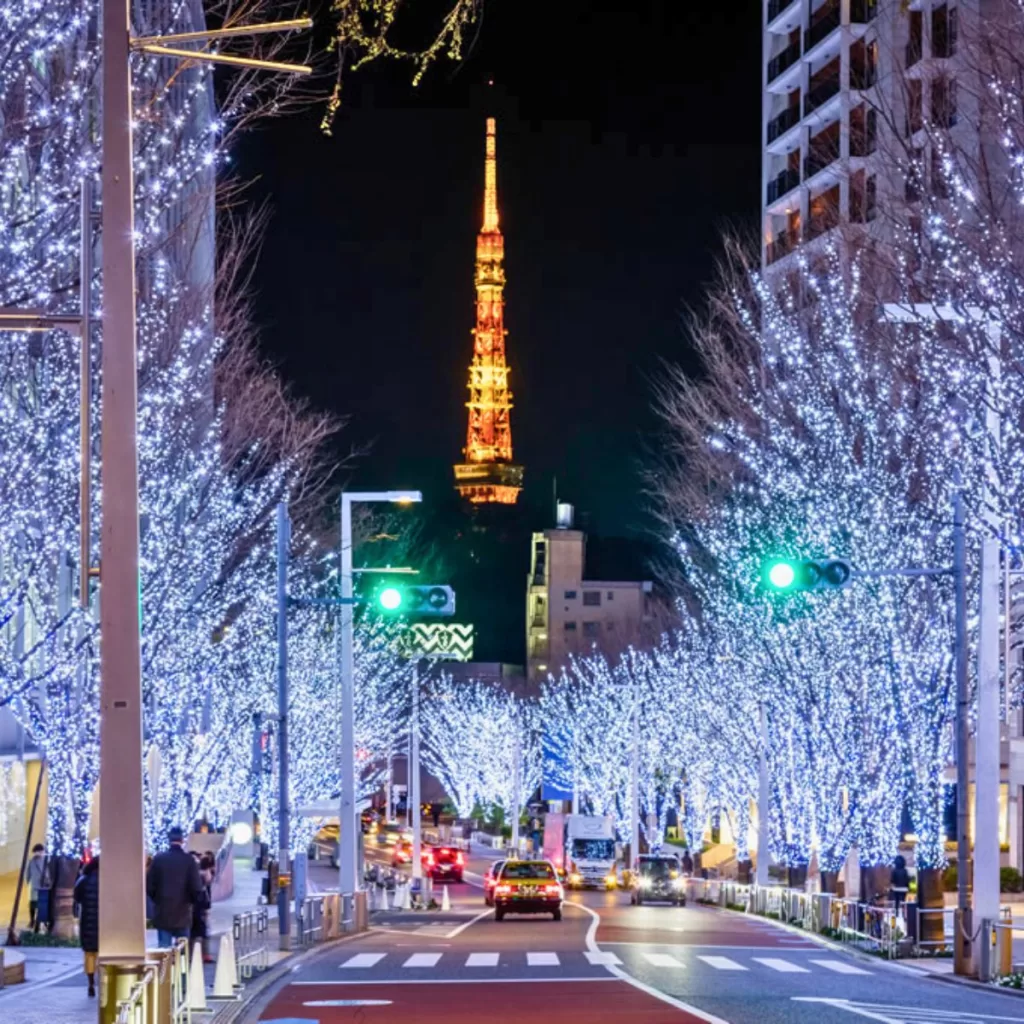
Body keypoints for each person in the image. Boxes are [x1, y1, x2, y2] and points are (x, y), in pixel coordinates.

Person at [147, 826, 204, 949]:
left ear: (169, 840)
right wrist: (191, 903)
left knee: (164, 950)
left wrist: (158, 901)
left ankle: (166, 968)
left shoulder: (159, 859)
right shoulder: (189, 860)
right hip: (183, 913)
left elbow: (149, 886)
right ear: (182, 840)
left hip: (163, 912)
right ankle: (182, 968)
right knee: (182, 950)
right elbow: (196, 888)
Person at [73, 856, 100, 998]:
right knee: (103, 953)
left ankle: (91, 984)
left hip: (88, 922)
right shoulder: (109, 880)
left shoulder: (83, 880)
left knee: (89, 954)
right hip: (103, 923)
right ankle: (104, 982)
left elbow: (76, 898)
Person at [190, 851, 215, 963]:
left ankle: (192, 954)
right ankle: (204, 954)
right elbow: (207, 884)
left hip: (194, 907)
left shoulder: (193, 875)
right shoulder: (204, 875)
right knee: (202, 931)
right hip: (199, 907)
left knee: (194, 932)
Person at [25, 843, 50, 934]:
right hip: (38, 887)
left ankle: (36, 924)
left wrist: (27, 881)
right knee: (35, 904)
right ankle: (34, 922)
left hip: (41, 887)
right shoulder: (32, 861)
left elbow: (27, 874)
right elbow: (28, 873)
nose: (40, 853)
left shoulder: (44, 860)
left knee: (39, 905)